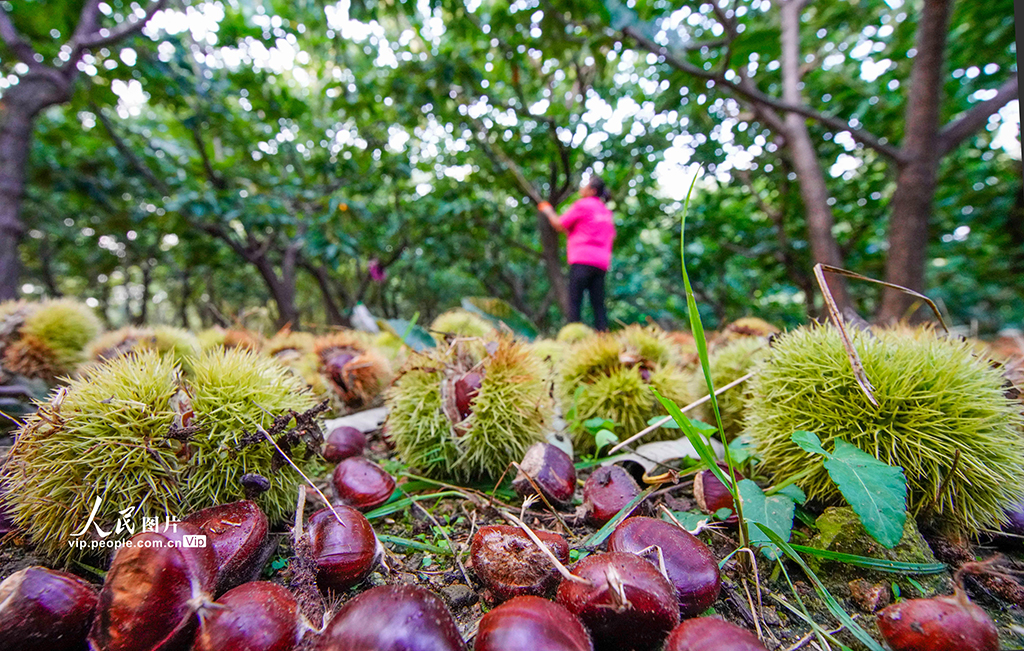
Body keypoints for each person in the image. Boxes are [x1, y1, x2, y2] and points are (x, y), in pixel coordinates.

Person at [537, 177, 616, 331]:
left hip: (582, 259)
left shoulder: (583, 205)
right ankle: (603, 335)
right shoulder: (605, 211)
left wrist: (548, 210)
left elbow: (559, 224)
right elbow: (611, 235)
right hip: (601, 262)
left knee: (575, 302)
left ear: (592, 190)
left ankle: (574, 337)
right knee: (598, 303)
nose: (582, 187)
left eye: (585, 185)